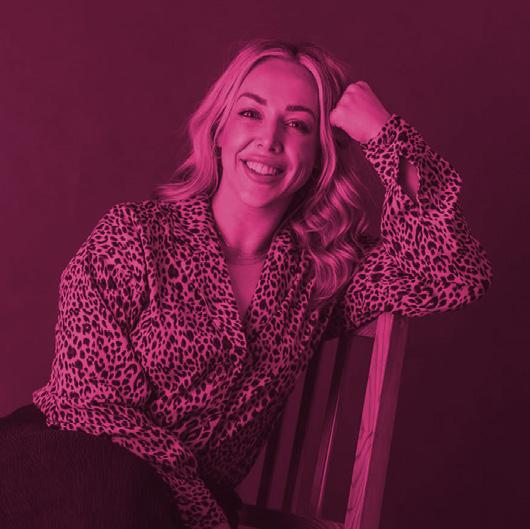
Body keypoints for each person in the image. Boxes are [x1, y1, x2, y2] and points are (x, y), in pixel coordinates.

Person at [0, 38, 493, 529]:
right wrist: (203, 511)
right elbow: (89, 408)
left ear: (319, 155)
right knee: (110, 496)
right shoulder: (132, 236)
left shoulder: (322, 274)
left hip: (164, 512)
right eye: (250, 114)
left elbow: (455, 273)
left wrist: (385, 137)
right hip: (63, 469)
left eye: (297, 124)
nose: (269, 140)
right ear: (219, 130)